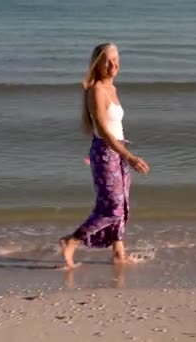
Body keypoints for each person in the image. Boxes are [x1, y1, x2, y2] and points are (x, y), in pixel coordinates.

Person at [58, 43, 150, 269]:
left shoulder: (112, 88)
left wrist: (124, 154)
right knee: (112, 208)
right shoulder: (96, 91)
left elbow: (116, 128)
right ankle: (72, 240)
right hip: (106, 152)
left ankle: (119, 252)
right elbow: (104, 131)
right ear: (98, 63)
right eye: (108, 60)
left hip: (118, 150)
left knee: (123, 204)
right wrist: (129, 156)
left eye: (116, 59)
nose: (113, 65)